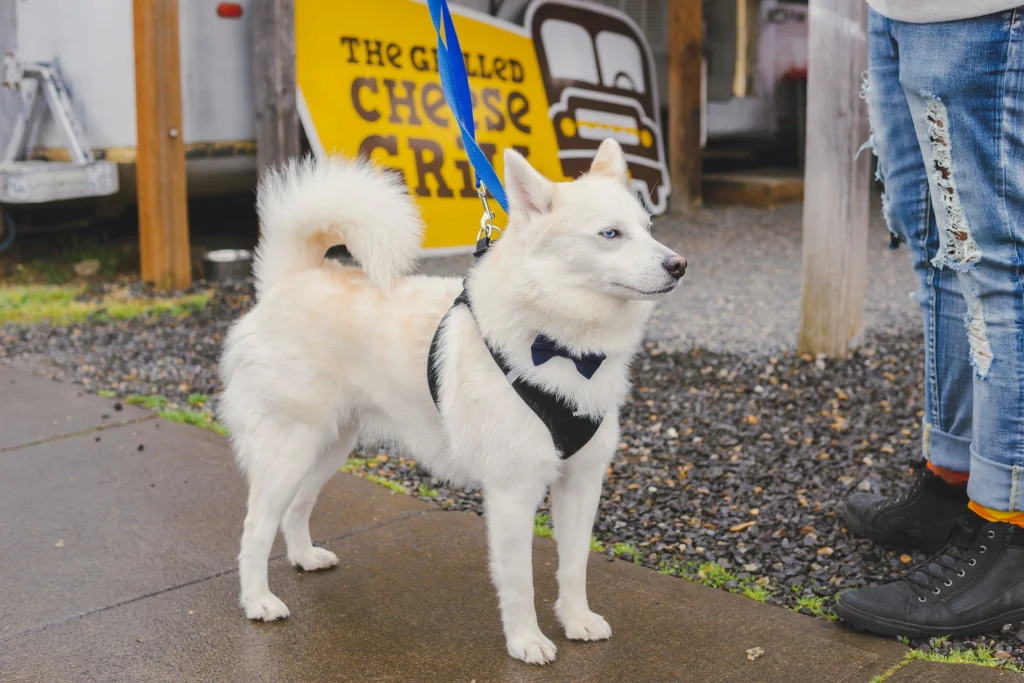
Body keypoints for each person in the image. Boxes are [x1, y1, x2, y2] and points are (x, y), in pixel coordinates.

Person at [835, 1, 1024, 637]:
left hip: (984, 13)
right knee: (936, 248)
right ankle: (953, 481)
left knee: (1001, 267)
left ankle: (1009, 527)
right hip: (900, 10)